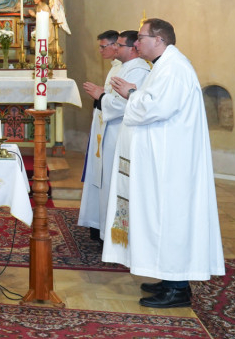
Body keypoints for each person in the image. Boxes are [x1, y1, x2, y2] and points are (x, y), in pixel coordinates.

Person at [103, 19, 224, 308]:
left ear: (159, 40)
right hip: (164, 160)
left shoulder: (174, 68)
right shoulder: (164, 66)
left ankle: (177, 288)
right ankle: (169, 278)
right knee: (161, 219)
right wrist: (135, 93)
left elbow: (156, 108)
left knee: (171, 219)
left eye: (141, 37)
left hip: (172, 164)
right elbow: (154, 101)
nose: (136, 43)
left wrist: (131, 94)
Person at [78, 30, 149, 241]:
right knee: (104, 179)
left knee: (112, 180)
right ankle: (100, 225)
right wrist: (102, 95)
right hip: (108, 131)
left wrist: (101, 96)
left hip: (119, 132)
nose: (115, 48)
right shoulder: (122, 67)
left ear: (133, 48)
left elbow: (125, 104)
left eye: (119, 45)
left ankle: (111, 231)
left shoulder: (139, 70)